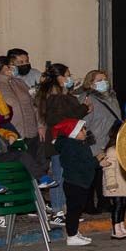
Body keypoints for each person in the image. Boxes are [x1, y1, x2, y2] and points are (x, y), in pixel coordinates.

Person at [37, 64, 91, 226]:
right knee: (59, 176)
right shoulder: (53, 97)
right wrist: (84, 108)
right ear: (58, 77)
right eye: (67, 75)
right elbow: (60, 119)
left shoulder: (63, 95)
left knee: (66, 176)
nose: (70, 78)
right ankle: (57, 211)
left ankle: (66, 210)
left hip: (67, 141)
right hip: (58, 142)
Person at [0, 56, 48, 185]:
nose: (16, 68)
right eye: (13, 65)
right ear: (4, 67)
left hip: (31, 131)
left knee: (34, 164)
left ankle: (35, 199)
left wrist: (40, 125)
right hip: (13, 132)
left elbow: (34, 105)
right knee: (16, 171)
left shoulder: (19, 83)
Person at [79, 70, 123, 214]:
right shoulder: (87, 99)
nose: (104, 82)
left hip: (109, 140)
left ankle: (104, 202)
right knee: (91, 174)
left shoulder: (112, 97)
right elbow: (84, 124)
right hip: (94, 141)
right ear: (90, 83)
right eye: (99, 80)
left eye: (105, 79)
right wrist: (93, 146)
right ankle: (88, 204)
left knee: (103, 174)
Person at [51, 118, 96, 246]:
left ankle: (75, 232)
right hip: (75, 182)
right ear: (74, 132)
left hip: (80, 182)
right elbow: (79, 164)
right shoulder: (71, 146)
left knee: (77, 209)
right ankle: (71, 236)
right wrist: (97, 161)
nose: (85, 132)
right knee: (73, 210)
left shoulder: (78, 144)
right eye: (82, 129)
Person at [99, 124, 126, 239]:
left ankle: (121, 227)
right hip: (116, 184)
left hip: (124, 183)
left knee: (123, 204)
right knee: (118, 205)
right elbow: (108, 169)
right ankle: (116, 230)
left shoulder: (124, 148)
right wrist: (111, 184)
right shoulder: (112, 150)